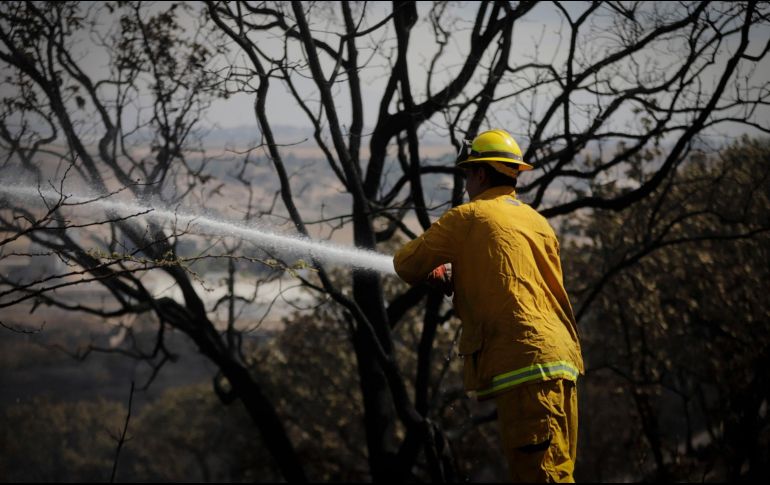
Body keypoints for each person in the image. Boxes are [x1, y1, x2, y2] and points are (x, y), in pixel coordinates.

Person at [393, 129, 584, 482]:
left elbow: (406, 264)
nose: (466, 182)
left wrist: (437, 272)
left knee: (540, 477)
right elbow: (514, 277)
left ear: (480, 173)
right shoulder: (536, 222)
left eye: (467, 173)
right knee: (558, 472)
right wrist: (464, 272)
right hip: (562, 360)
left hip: (526, 361)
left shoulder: (468, 217)